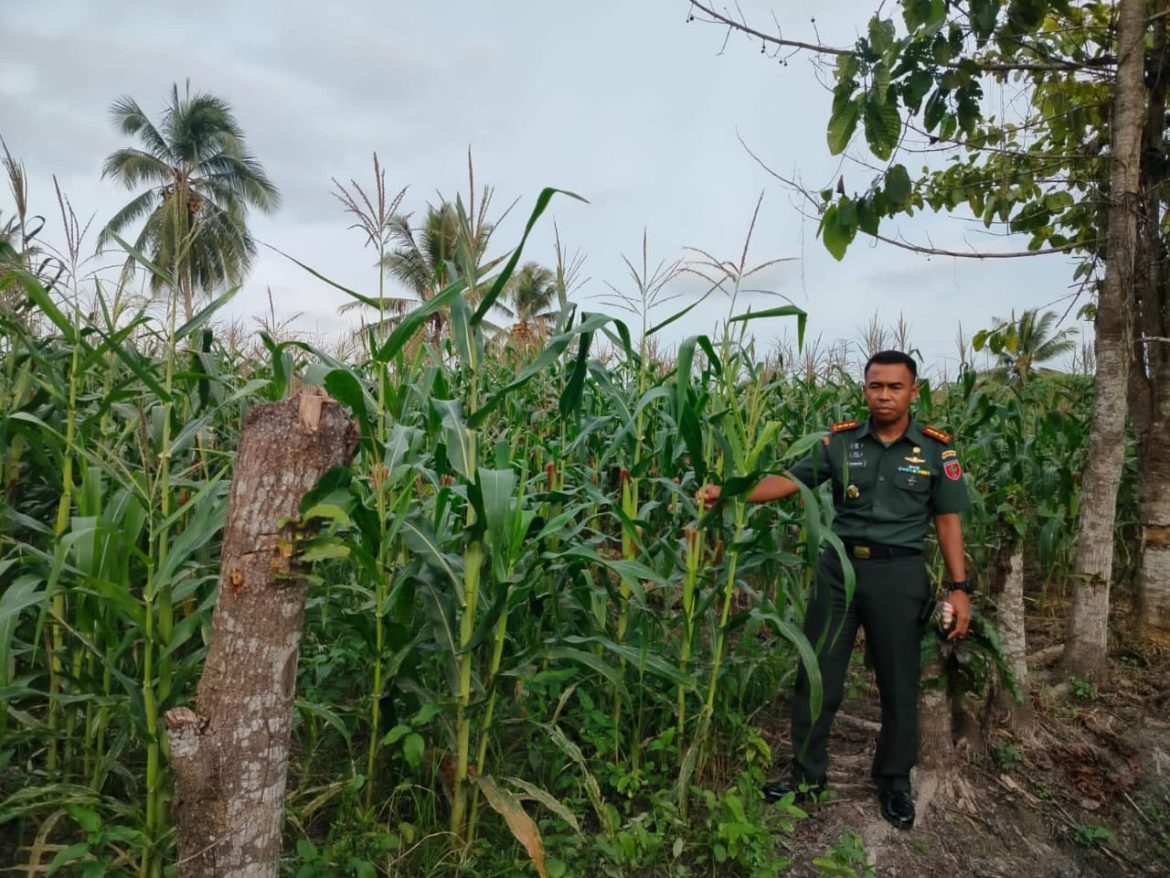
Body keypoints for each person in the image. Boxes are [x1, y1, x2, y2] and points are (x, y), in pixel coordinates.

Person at [695, 350, 971, 830]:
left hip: (899, 575)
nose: (884, 395)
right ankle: (806, 775)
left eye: (894, 387)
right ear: (864, 388)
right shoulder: (839, 444)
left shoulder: (934, 451)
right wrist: (732, 491)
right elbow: (789, 482)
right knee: (817, 673)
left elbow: (948, 520)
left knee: (898, 683)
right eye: (875, 386)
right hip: (838, 570)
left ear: (914, 392)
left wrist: (959, 587)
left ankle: (894, 782)